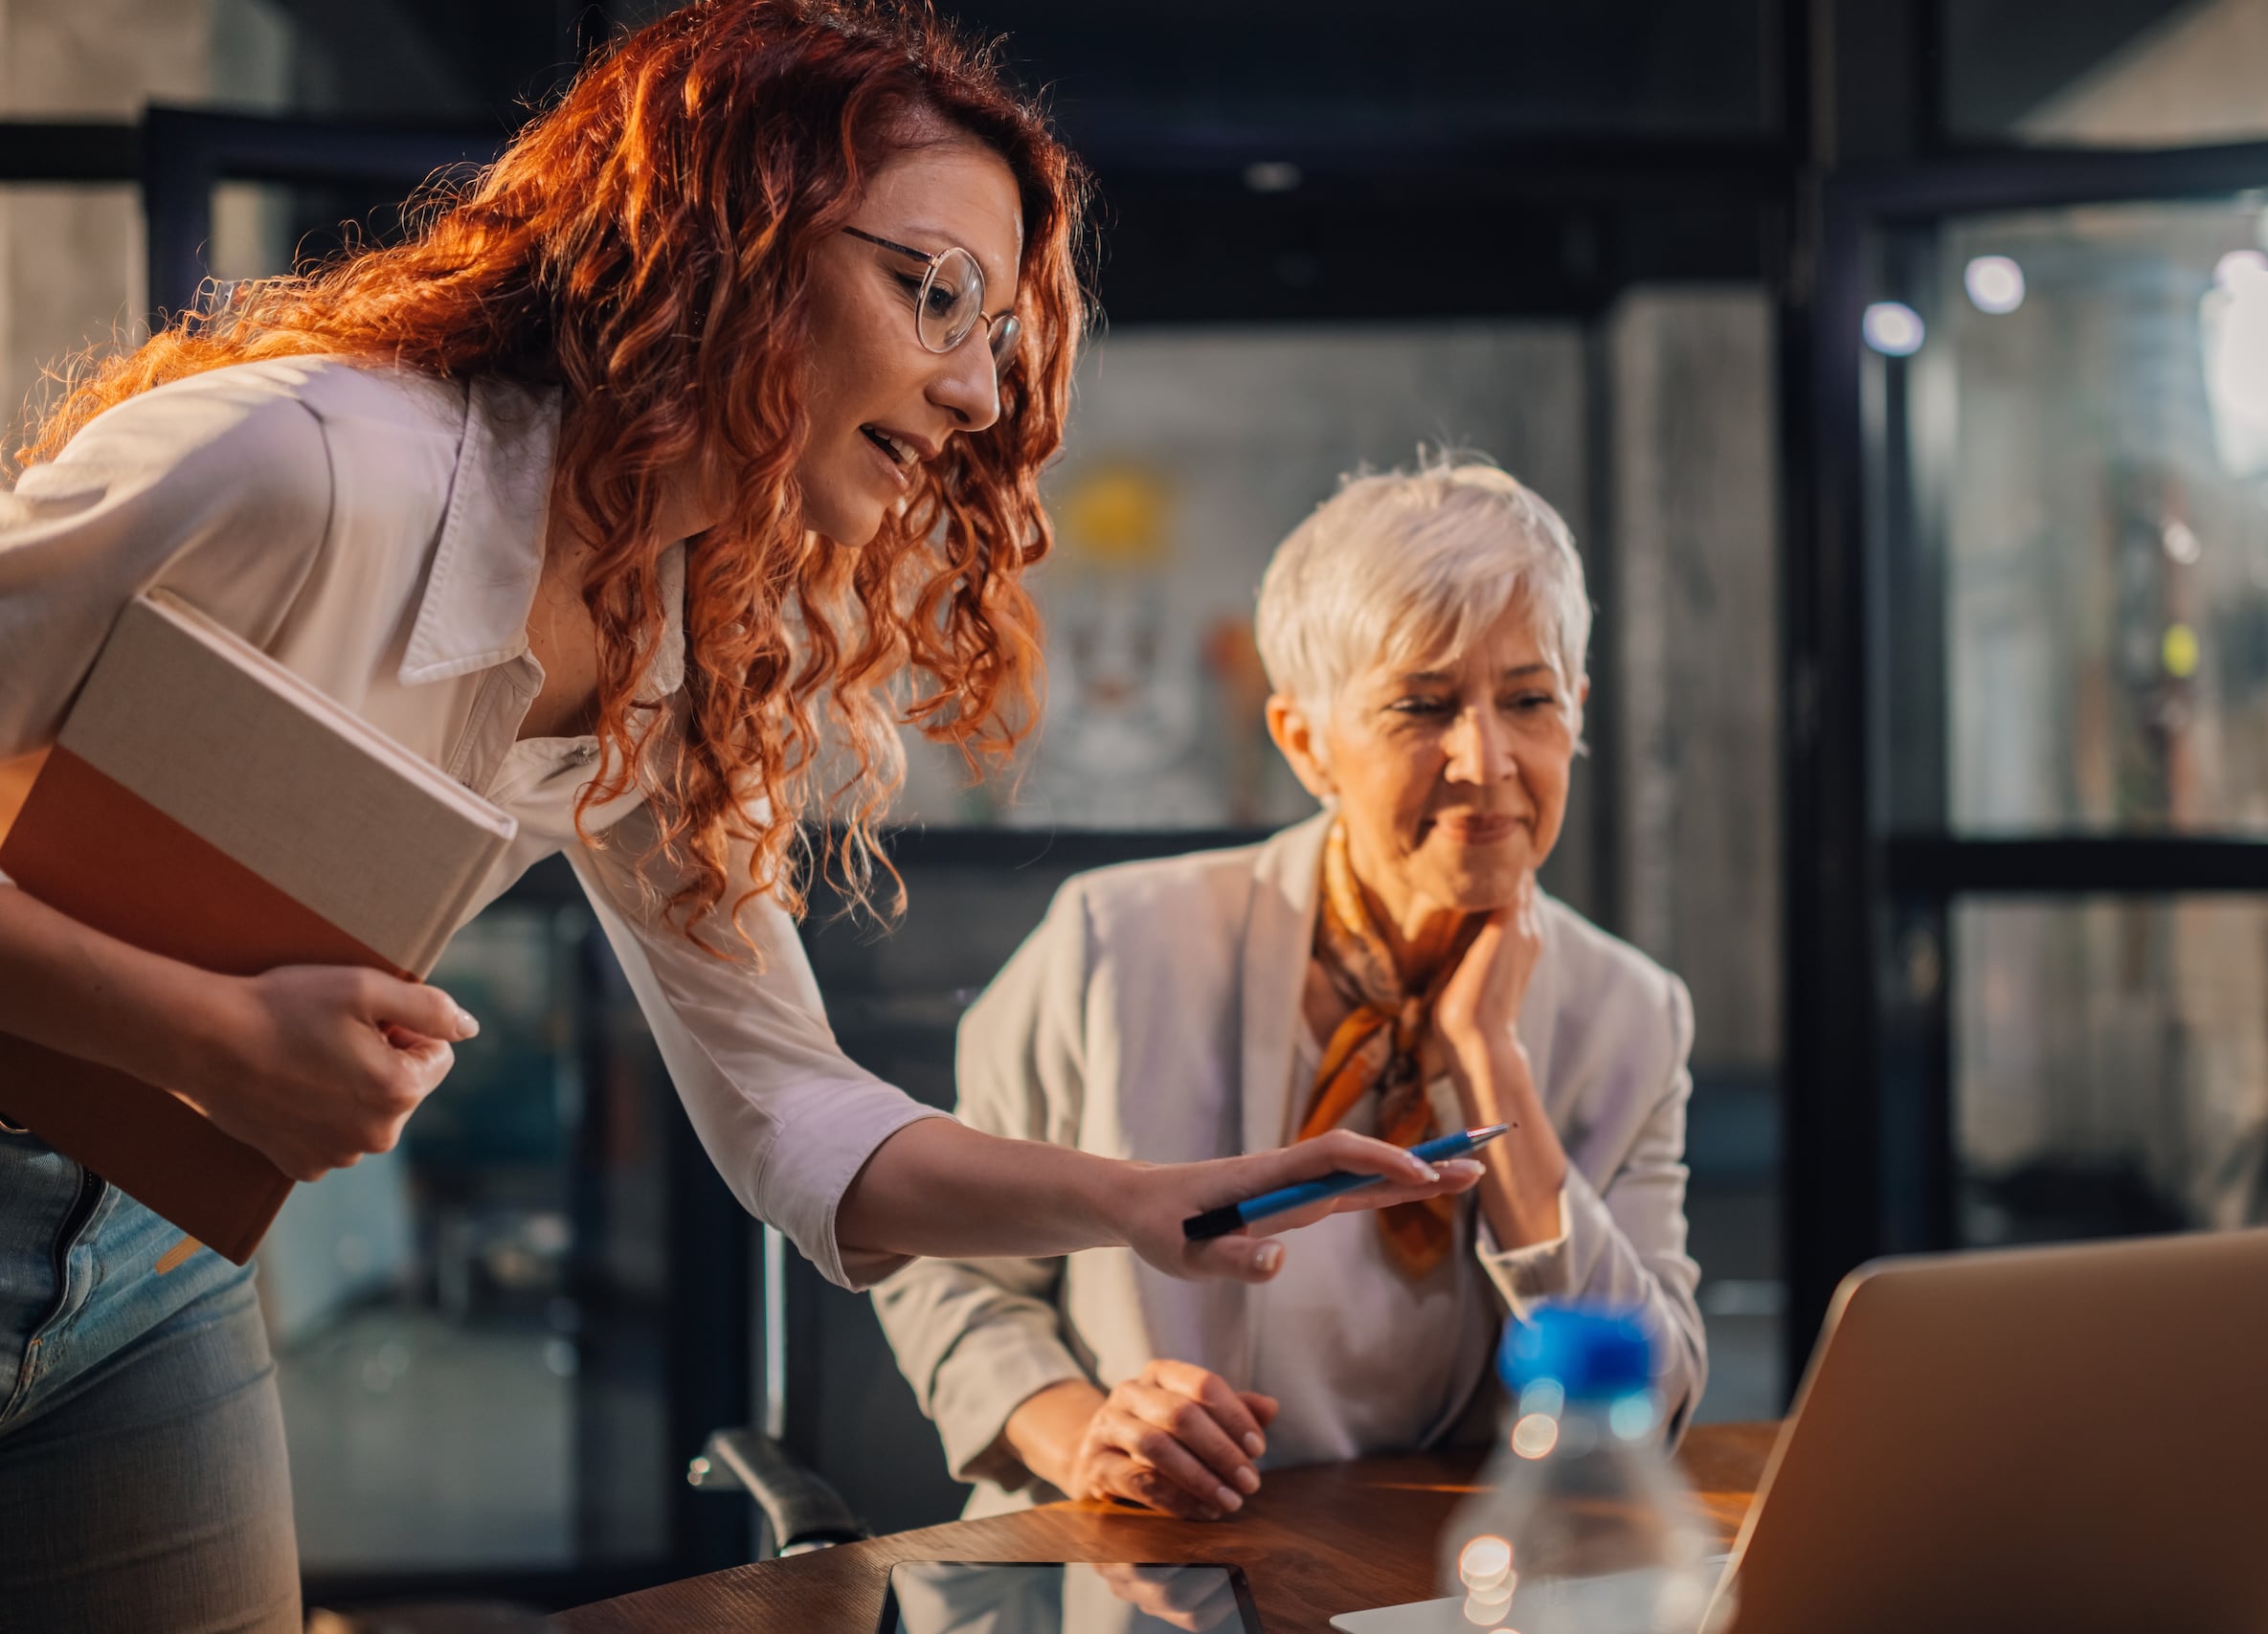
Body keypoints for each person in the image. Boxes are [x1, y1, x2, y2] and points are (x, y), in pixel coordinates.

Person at [0, 7, 1476, 1628]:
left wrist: (1144, 1200)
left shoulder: (668, 637)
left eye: (1001, 333)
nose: (982, 390)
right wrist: (207, 1035)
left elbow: (791, 1109)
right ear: (730, 240)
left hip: (147, 1261)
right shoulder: (298, 464)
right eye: (938, 295)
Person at [875, 455, 1708, 1522]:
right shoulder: (1118, 944)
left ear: (1575, 715)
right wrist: (1083, 1430)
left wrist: (1489, 1061)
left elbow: (1658, 1400)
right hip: (1148, 1568)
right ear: (1306, 744)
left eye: (1530, 699)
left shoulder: (1631, 1013)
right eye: (1423, 705)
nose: (1487, 758)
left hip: (1441, 1578)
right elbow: (937, 1261)